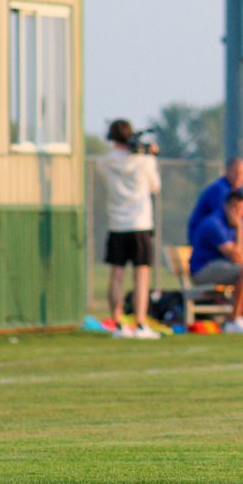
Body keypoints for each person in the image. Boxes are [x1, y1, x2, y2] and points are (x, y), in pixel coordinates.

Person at [97, 119, 162, 340]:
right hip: (140, 223)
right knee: (141, 276)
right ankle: (140, 322)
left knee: (116, 274)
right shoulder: (143, 162)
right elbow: (155, 187)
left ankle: (116, 322)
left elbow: (109, 164)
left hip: (117, 224)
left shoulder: (105, 162)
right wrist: (148, 155)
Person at [188, 190, 243, 334]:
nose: (240, 212)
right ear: (226, 206)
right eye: (235, 208)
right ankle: (234, 320)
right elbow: (236, 257)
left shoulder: (242, 223)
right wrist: (240, 228)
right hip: (203, 270)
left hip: (227, 267)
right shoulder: (214, 224)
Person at [187, 157, 243, 243]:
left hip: (224, 239)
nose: (239, 177)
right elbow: (228, 220)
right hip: (203, 240)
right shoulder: (219, 190)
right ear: (227, 172)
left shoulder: (239, 190)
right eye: (236, 173)